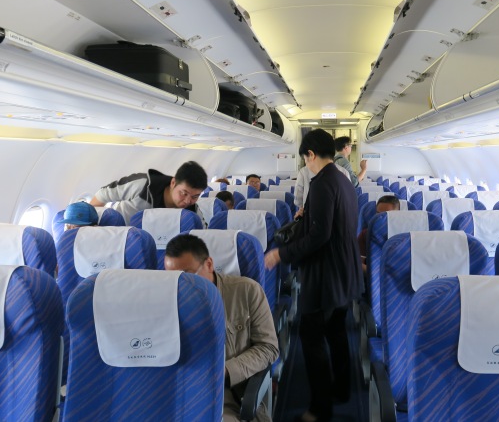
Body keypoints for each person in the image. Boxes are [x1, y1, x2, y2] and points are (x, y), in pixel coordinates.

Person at [264, 129, 363, 422]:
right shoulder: (343, 181)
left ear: (310, 154)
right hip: (344, 270)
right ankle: (342, 390)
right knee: (335, 330)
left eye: (305, 159)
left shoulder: (321, 183)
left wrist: (281, 254)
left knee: (311, 335)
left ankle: (320, 408)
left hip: (326, 275)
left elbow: (320, 235)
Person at [165, 234, 278, 422]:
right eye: (173, 277)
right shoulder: (161, 298)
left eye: (187, 274)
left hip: (226, 394)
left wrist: (225, 371)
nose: (180, 284)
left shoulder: (247, 291)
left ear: (209, 264)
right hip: (177, 394)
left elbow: (268, 348)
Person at [90, 161, 208, 224]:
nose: (188, 201)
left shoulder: (193, 214)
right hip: (120, 233)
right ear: (173, 183)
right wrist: (90, 221)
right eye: (184, 193)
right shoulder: (142, 185)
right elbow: (103, 194)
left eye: (195, 196)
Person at [358, 195, 400, 272]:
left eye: (386, 215)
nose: (380, 218)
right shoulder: (366, 234)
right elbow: (358, 262)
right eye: (378, 214)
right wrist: (377, 275)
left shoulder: (405, 238)